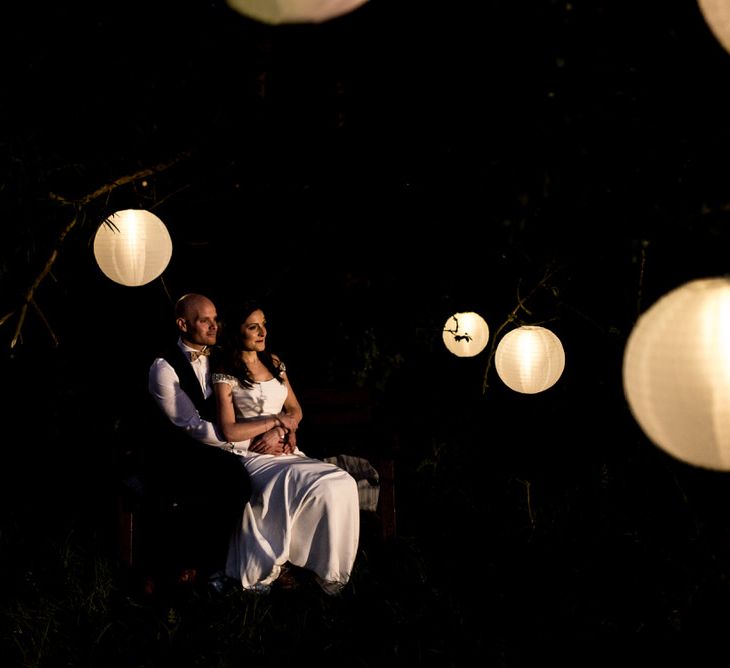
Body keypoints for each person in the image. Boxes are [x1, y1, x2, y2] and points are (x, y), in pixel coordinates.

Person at [211, 300, 361, 595]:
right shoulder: (225, 370)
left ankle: (329, 574)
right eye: (253, 326)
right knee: (316, 484)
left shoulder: (274, 362)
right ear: (236, 331)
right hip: (255, 455)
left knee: (339, 481)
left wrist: (282, 427)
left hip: (286, 450)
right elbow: (229, 429)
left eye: (263, 324)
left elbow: (296, 410)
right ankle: (284, 565)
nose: (262, 331)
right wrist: (275, 422)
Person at [146, 293, 252, 581]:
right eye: (204, 320)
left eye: (215, 319)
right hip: (183, 451)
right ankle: (208, 568)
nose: (213, 326)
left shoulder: (224, 356)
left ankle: (252, 564)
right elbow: (192, 426)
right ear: (183, 324)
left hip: (225, 445)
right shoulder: (163, 367)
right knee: (234, 484)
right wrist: (245, 442)